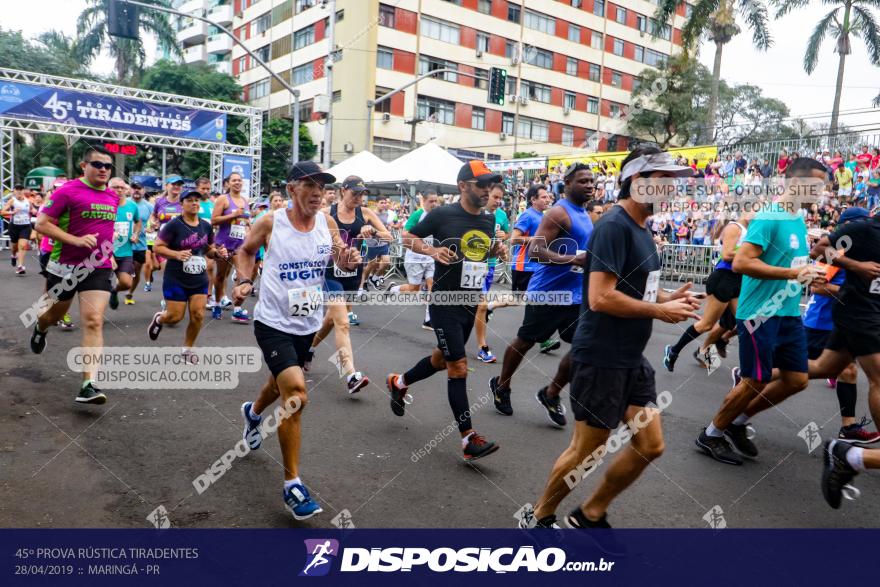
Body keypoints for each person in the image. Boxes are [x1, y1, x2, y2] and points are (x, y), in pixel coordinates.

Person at [526, 147, 698, 531]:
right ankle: (539, 516)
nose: (672, 189)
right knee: (588, 450)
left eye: (674, 182)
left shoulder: (641, 229)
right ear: (637, 181)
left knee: (651, 445)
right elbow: (601, 297)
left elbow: (635, 287)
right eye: (663, 181)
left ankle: (590, 513)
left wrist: (669, 297)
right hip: (601, 353)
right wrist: (659, 311)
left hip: (630, 357)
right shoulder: (614, 226)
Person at [233, 161, 361, 520]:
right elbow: (245, 251)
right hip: (272, 322)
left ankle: (253, 413)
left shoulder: (327, 221)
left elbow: (340, 259)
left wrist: (349, 258)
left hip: (306, 324)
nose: (318, 192)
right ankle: (292, 485)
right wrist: (244, 281)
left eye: (322, 186)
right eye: (310, 185)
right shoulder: (271, 222)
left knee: (278, 384)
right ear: (291, 189)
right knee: (297, 396)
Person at [696, 158, 828, 465]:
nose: (822, 192)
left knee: (797, 380)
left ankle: (737, 422)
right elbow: (741, 263)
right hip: (760, 314)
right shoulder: (770, 217)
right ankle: (712, 434)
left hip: (789, 313)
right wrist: (793, 275)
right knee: (755, 380)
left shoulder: (796, 219)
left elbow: (789, 264)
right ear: (796, 184)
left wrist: (809, 272)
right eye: (817, 185)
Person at [387, 160, 507, 462]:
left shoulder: (489, 219)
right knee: (458, 367)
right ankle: (468, 439)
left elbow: (479, 250)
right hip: (444, 302)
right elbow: (407, 237)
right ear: (463, 186)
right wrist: (432, 250)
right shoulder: (442, 215)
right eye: (482, 185)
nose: (487, 191)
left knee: (441, 360)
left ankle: (398, 383)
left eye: (489, 186)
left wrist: (495, 250)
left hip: (469, 302)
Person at [489, 162, 595, 428]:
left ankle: (550, 393)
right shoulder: (558, 213)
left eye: (591, 181)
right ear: (567, 184)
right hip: (547, 293)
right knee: (526, 341)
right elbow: (536, 251)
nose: (590, 185)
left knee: (584, 346)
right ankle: (502, 385)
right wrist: (573, 259)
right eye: (583, 181)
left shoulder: (586, 215)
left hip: (576, 296)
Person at [30, 146, 119, 404]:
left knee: (93, 320)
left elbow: (105, 230)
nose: (103, 169)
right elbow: (42, 224)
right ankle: (40, 327)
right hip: (65, 266)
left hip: (98, 267)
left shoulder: (112, 197)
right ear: (84, 166)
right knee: (52, 314)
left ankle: (88, 383)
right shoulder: (66, 191)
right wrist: (76, 240)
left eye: (108, 166)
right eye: (97, 164)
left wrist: (108, 252)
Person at [801, 208, 879, 441]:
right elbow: (815, 285)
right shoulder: (845, 247)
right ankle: (754, 375)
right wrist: (854, 273)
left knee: (835, 369)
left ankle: (848, 428)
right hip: (821, 321)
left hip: (847, 318)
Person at [309, 176, 388, 393]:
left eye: (362, 194)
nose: (359, 198)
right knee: (343, 322)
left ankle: (308, 348)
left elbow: (388, 236)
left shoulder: (365, 214)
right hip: (331, 273)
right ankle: (351, 374)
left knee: (331, 320)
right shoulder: (327, 214)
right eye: (355, 193)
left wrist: (372, 232)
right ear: (343, 191)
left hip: (354, 273)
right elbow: (313, 240)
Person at [664, 215, 751, 371]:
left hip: (738, 281)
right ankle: (673, 351)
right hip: (723, 279)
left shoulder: (752, 232)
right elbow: (727, 254)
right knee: (706, 325)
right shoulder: (735, 227)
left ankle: (714, 347)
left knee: (745, 323)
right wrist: (750, 256)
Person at [147, 190, 227, 358]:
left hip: (199, 277)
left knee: (198, 314)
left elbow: (209, 249)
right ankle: (160, 319)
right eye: (189, 200)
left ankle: (187, 349)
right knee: (175, 317)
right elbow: (157, 246)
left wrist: (218, 253)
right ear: (181, 204)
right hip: (176, 277)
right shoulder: (174, 225)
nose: (194, 203)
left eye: (197, 200)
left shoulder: (205, 226)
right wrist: (176, 254)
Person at [386, 190, 440, 330]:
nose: (434, 204)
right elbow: (405, 233)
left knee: (432, 286)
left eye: (436, 201)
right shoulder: (418, 215)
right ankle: (393, 289)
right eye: (431, 201)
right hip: (415, 258)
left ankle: (428, 320)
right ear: (424, 201)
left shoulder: (439, 215)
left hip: (431, 257)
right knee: (413, 289)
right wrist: (419, 243)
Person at [473, 184, 510, 363]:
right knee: (476, 306)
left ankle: (481, 347)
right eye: (495, 197)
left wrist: (503, 239)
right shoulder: (474, 212)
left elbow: (506, 235)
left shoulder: (501, 215)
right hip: (471, 265)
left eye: (500, 198)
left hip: (489, 265)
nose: (498, 201)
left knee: (480, 306)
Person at [211, 172, 251, 322]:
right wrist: (232, 216)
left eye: (239, 180)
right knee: (221, 276)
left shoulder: (245, 201)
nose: (237, 183)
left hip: (240, 246)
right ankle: (216, 304)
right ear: (228, 183)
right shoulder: (223, 199)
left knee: (242, 278)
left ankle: (237, 309)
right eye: (234, 180)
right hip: (223, 245)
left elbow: (245, 221)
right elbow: (213, 220)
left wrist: (249, 228)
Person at [145, 176, 185, 292]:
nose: (176, 187)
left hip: (181, 244)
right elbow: (153, 215)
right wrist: (153, 222)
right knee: (168, 273)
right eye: (173, 184)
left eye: (179, 184)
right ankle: (167, 300)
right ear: (167, 186)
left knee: (181, 275)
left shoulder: (184, 202)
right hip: (163, 244)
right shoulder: (160, 202)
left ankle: (175, 299)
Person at [108, 178, 141, 310]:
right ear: (108, 188)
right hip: (104, 252)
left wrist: (136, 234)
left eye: (122, 188)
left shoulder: (132, 206)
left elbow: (138, 222)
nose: (119, 190)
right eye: (115, 187)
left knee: (126, 283)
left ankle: (114, 291)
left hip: (125, 251)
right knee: (99, 286)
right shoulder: (104, 206)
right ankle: (95, 316)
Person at [360, 197, 398, 292]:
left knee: (386, 262)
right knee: (371, 264)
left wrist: (388, 229)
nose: (384, 204)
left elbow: (386, 226)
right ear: (376, 203)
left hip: (383, 242)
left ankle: (374, 278)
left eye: (385, 202)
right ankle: (364, 283)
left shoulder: (386, 214)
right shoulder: (371, 214)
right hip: (371, 243)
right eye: (382, 202)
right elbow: (364, 226)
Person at [2, 185, 38, 274]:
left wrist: (34, 211)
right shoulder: (12, 201)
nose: (19, 191)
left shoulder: (28, 201)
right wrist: (12, 212)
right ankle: (13, 255)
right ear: (14, 191)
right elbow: (2, 212)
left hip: (25, 226)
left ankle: (20, 266)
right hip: (14, 226)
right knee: (14, 247)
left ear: (23, 191)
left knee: (22, 246)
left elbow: (32, 209)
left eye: (20, 190)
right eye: (17, 190)